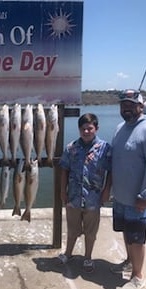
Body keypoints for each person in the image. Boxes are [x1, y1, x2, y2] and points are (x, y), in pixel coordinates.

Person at [110, 89, 146, 289]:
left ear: (141, 106)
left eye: (131, 105)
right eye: (123, 105)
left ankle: (138, 276)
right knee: (126, 233)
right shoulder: (120, 127)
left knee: (137, 239)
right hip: (120, 196)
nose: (126, 108)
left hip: (138, 198)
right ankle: (130, 262)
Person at [58, 113, 111, 273]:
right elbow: (64, 171)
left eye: (90, 128)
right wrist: (63, 192)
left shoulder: (105, 148)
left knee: (91, 231)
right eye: (83, 129)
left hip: (93, 199)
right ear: (79, 130)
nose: (86, 132)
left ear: (96, 128)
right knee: (72, 229)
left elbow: (110, 172)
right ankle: (68, 253)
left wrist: (106, 191)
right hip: (73, 197)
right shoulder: (71, 148)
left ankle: (88, 257)